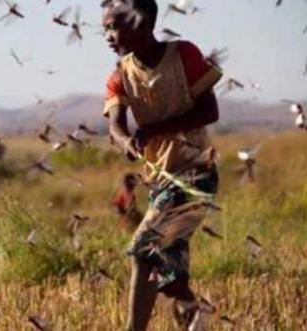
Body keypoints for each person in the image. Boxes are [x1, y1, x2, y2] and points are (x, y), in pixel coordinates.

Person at [100, 0, 222, 330]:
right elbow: (115, 124)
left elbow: (209, 111)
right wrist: (126, 141)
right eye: (106, 29)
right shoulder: (119, 77)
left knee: (144, 251)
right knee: (167, 265)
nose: (108, 35)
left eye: (116, 25)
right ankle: (195, 315)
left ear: (144, 21)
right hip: (160, 180)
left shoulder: (183, 55)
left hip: (196, 172)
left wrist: (155, 128)